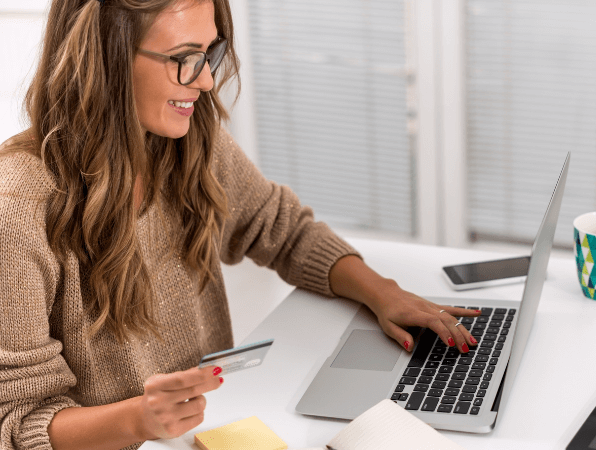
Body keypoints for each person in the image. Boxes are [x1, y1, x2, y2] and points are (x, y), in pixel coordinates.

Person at [0, 0, 481, 448]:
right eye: (185, 57)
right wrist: (139, 420)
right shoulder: (17, 207)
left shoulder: (187, 146)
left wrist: (383, 293)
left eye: (209, 53)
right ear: (106, 59)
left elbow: (283, 228)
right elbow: (18, 421)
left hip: (215, 430)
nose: (207, 81)